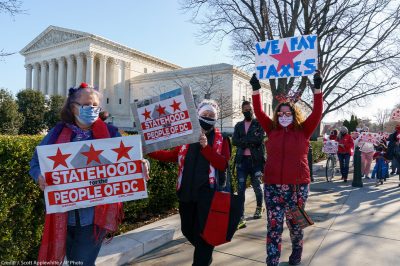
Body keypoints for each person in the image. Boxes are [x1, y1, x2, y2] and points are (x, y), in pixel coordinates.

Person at [29, 83, 125, 265]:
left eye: (96, 105)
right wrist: (39, 175)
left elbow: (129, 162)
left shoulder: (111, 134)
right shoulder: (56, 133)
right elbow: (35, 162)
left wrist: (141, 165)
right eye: (87, 105)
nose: (92, 109)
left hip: (95, 217)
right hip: (65, 216)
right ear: (73, 107)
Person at [249, 71, 323, 266]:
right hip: (273, 185)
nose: (283, 115)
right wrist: (256, 90)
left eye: (288, 113)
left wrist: (317, 89)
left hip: (297, 186)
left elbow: (317, 112)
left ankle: (297, 249)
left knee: (295, 225)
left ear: (294, 115)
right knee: (273, 226)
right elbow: (259, 112)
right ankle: (272, 261)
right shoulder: (271, 129)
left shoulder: (304, 130)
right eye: (280, 113)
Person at [147, 99, 230, 266]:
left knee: (204, 235)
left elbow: (223, 164)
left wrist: (206, 147)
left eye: (211, 115)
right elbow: (172, 156)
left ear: (216, 118)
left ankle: (202, 258)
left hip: (208, 195)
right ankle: (205, 253)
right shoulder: (187, 136)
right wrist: (149, 151)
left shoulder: (222, 139)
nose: (207, 117)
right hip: (186, 193)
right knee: (187, 230)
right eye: (204, 114)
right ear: (197, 114)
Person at [232, 100, 265, 229]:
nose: (248, 111)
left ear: (253, 109)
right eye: (245, 109)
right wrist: (248, 141)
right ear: (242, 111)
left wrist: (243, 141)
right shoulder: (238, 125)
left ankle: (259, 207)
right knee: (240, 189)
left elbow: (259, 139)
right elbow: (234, 141)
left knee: (257, 185)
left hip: (255, 161)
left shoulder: (258, 124)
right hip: (242, 161)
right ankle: (240, 216)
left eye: (249, 109)